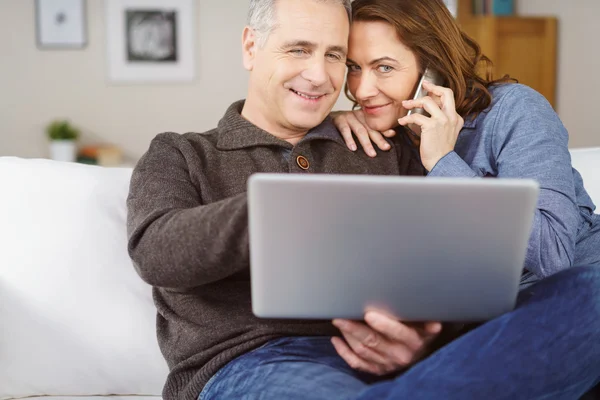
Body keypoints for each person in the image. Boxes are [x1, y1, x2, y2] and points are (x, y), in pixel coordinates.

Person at [126, 0, 600, 399]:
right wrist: (280, 208)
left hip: (395, 367)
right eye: (300, 49)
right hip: (258, 360)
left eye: (335, 56)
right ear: (252, 46)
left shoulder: (385, 147)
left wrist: (424, 343)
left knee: (586, 294)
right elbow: (156, 252)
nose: (322, 76)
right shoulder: (182, 152)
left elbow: (439, 276)